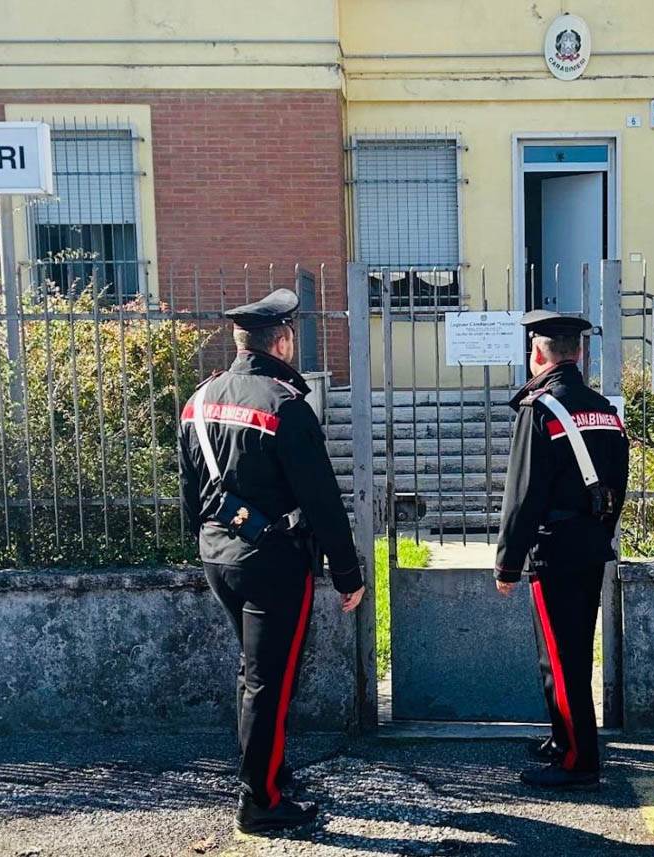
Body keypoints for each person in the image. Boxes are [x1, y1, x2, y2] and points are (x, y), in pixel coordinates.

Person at [178, 288, 365, 834]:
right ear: (281, 340)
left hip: (220, 555)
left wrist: (205, 542)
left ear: (241, 342)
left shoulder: (200, 399)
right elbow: (322, 500)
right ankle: (261, 800)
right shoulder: (286, 406)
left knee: (254, 673)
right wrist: (347, 573)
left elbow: (191, 488)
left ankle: (268, 774)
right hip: (274, 562)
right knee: (270, 680)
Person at [494, 309, 629, 790]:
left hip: (553, 550)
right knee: (569, 651)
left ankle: (577, 761)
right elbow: (618, 484)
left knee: (561, 657)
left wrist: (509, 562)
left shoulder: (541, 410)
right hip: (591, 545)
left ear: (537, 354)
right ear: (580, 353)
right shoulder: (604, 409)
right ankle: (562, 739)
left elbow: (524, 493)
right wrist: (600, 531)